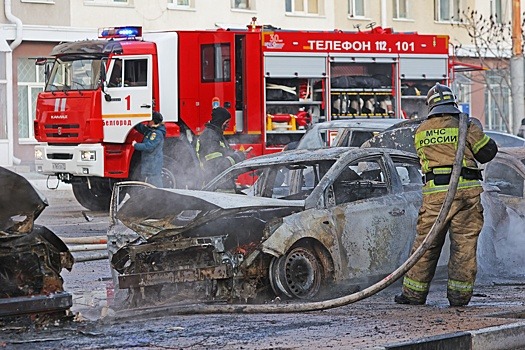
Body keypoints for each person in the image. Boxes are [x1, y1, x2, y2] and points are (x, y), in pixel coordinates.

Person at [395, 83, 498, 307]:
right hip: (467, 196)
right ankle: (459, 298)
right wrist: (477, 131)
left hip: (435, 197)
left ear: (431, 106)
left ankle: (413, 295)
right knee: (464, 245)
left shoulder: (421, 130)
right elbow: (487, 153)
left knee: (426, 245)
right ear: (452, 103)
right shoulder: (465, 125)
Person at [196, 107, 248, 185]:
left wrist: (241, 153)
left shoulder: (217, 136)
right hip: (215, 187)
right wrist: (238, 156)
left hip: (221, 185)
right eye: (226, 122)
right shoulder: (210, 137)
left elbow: (227, 153)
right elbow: (217, 166)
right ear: (220, 121)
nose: (228, 126)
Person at [132, 111, 166, 187]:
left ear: (154, 121)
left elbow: (149, 146)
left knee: (156, 184)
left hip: (153, 164)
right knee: (149, 184)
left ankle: (160, 197)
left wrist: (136, 145)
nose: (147, 122)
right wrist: (133, 121)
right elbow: (142, 128)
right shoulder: (152, 130)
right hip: (150, 163)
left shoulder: (157, 134)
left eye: (149, 121)